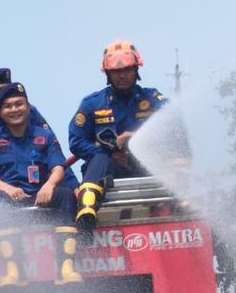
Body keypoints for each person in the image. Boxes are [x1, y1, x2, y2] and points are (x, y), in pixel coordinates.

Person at [0, 82, 83, 287]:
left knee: (64, 195)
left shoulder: (45, 136)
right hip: (11, 200)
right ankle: (14, 271)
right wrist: (7, 189)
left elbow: (58, 168)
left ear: (28, 106)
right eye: (8, 106)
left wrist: (49, 185)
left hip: (40, 197)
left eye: (19, 104)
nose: (14, 109)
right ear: (0, 112)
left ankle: (65, 269)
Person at [67, 39, 167, 233]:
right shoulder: (92, 103)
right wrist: (108, 152)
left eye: (127, 70)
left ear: (136, 69)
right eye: (116, 71)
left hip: (145, 166)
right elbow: (76, 141)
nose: (122, 76)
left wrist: (135, 136)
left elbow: (173, 126)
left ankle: (186, 204)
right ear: (107, 73)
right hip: (107, 170)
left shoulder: (152, 98)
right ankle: (86, 212)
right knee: (99, 158)